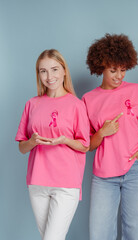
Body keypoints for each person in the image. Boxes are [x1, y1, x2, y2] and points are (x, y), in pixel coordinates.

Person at [82, 33, 138, 240]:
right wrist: (102, 132)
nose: (119, 76)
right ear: (100, 67)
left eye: (122, 70)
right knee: (100, 233)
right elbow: (87, 145)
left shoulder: (137, 91)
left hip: (137, 169)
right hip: (105, 174)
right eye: (113, 70)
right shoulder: (88, 99)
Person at [15, 49, 90, 240]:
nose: (49, 77)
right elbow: (22, 147)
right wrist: (32, 141)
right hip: (37, 182)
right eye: (43, 71)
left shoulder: (76, 105)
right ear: (38, 74)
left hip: (66, 183)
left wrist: (64, 140)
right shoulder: (32, 104)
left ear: (64, 71)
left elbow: (84, 145)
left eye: (54, 69)